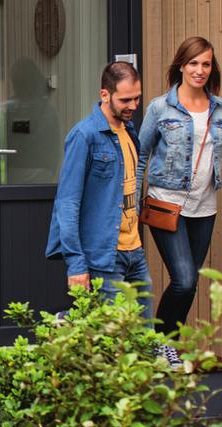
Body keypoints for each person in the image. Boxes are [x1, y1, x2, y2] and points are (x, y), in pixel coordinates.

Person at [136, 36, 222, 348]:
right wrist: (126, 203)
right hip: (166, 205)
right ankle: (162, 345)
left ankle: (166, 346)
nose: (200, 70)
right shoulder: (160, 108)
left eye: (206, 64)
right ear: (181, 65)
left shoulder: (221, 110)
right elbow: (139, 157)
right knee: (185, 280)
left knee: (189, 285)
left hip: (205, 209)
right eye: (193, 63)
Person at [46, 61, 152, 319]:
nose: (134, 106)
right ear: (105, 95)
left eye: (137, 98)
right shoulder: (85, 135)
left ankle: (71, 322)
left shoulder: (128, 130)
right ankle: (69, 323)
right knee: (113, 340)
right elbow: (67, 203)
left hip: (134, 250)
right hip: (104, 254)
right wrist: (76, 264)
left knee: (145, 335)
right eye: (126, 100)